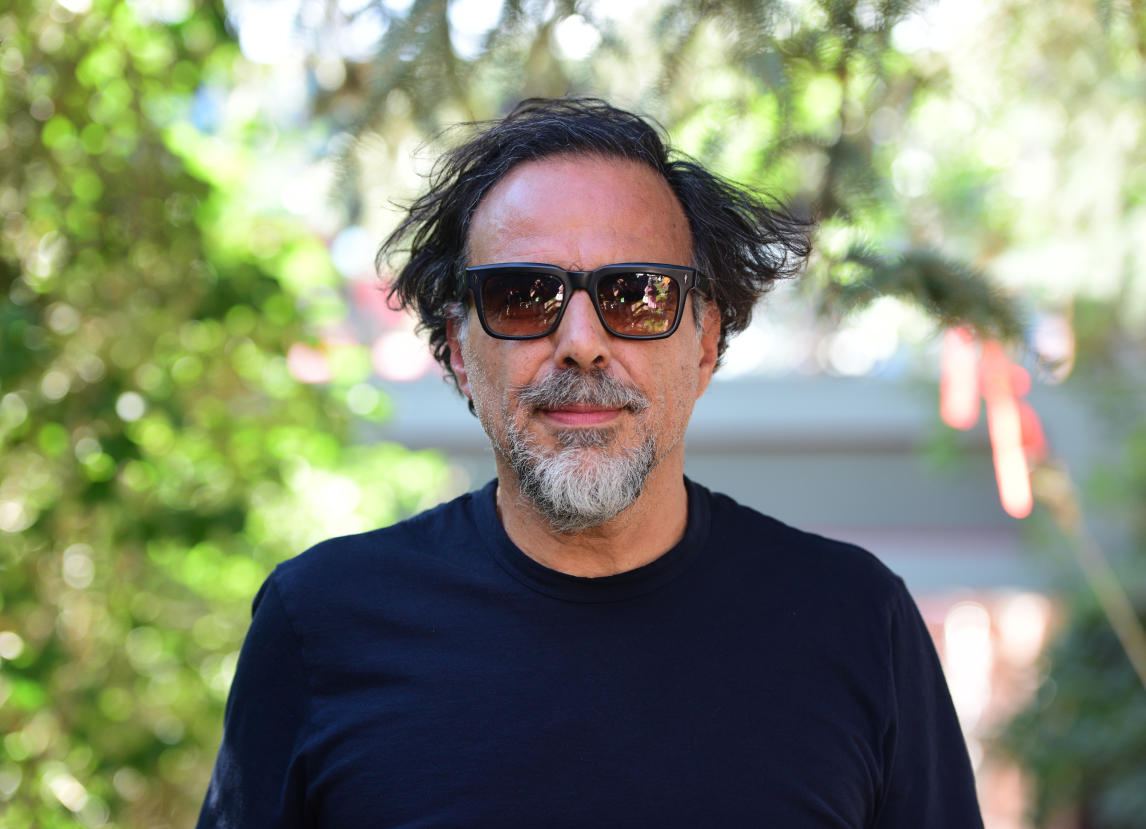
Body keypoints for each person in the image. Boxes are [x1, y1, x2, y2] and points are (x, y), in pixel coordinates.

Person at [196, 98, 983, 828]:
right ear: (461, 354)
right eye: (520, 295)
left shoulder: (856, 621)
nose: (581, 340)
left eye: (637, 294)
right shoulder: (319, 623)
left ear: (705, 342)